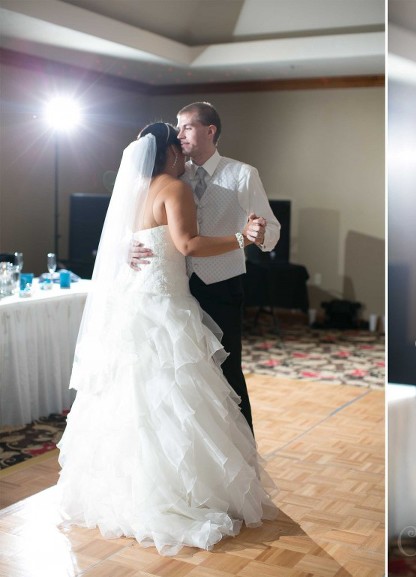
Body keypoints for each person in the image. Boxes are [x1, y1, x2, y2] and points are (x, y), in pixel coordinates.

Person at [57, 123, 278, 556]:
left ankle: (128, 489)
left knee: (133, 398)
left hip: (134, 306)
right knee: (176, 399)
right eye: (180, 143)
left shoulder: (135, 190)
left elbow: (128, 237)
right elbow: (188, 244)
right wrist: (239, 239)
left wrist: (126, 246)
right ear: (172, 152)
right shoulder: (173, 188)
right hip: (166, 306)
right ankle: (179, 493)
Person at [133, 101, 280, 431]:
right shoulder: (168, 176)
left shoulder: (242, 174)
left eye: (186, 126)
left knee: (227, 377)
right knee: (181, 378)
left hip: (221, 289)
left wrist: (259, 234)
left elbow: (272, 229)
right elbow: (145, 227)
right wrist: (127, 247)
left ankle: (244, 460)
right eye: (177, 127)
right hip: (174, 291)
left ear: (209, 130)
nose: (179, 133)